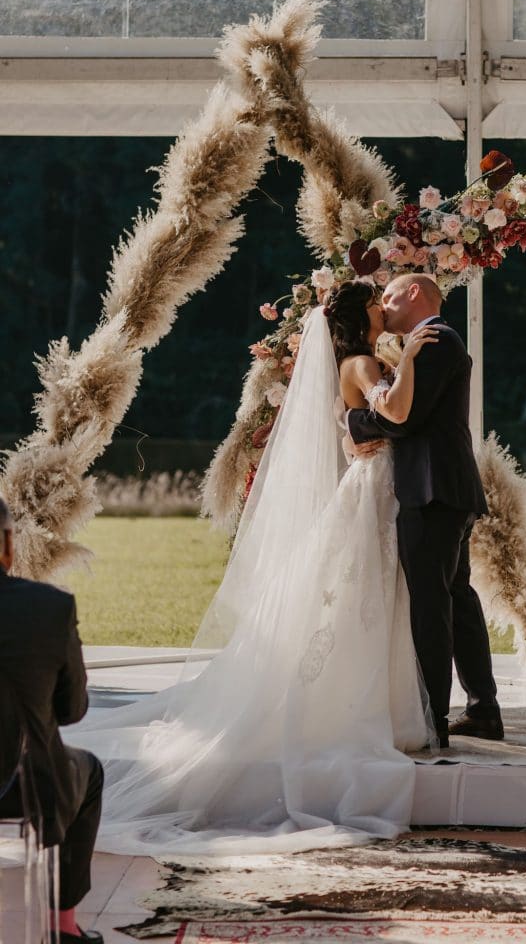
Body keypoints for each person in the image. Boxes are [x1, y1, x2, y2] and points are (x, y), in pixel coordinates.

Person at [66, 289, 438, 858]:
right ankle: (356, 708)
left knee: (366, 597)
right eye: (373, 303)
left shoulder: (354, 361)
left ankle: (379, 705)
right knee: (361, 596)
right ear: (357, 317)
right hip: (372, 491)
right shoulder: (362, 363)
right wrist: (409, 357)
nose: (380, 309)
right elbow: (393, 411)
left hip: (373, 486)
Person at [347, 273, 504, 749]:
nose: (385, 307)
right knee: (455, 599)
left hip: (433, 489)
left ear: (414, 293)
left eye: (390, 297)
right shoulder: (428, 343)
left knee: (432, 605)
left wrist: (349, 419)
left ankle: (433, 717)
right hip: (444, 488)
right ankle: (482, 709)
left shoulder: (434, 340)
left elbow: (405, 418)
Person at [0, 496, 104, 944]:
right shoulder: (49, 608)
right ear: (7, 544)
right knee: (89, 771)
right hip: (23, 791)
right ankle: (63, 927)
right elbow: (70, 711)